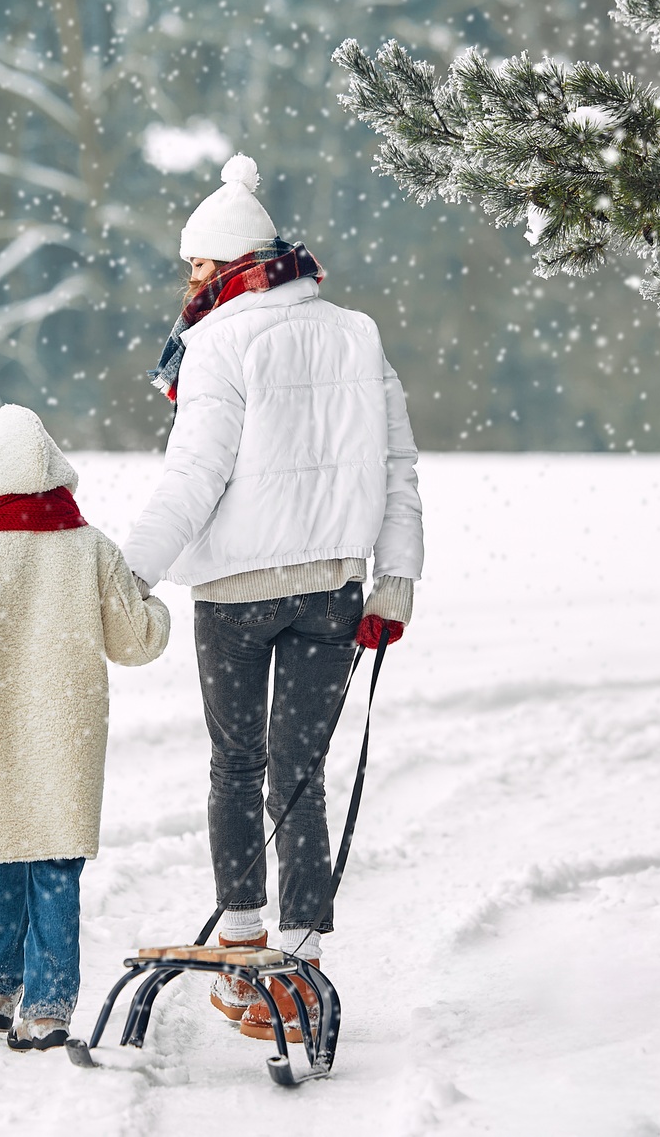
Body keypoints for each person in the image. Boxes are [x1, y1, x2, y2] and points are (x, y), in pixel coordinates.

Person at [121, 153, 424, 1043]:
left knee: (236, 767)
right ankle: (303, 961)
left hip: (238, 596)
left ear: (224, 265)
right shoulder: (357, 332)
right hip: (334, 588)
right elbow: (399, 468)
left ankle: (249, 952)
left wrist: (127, 571)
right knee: (301, 775)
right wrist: (394, 580)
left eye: (195, 267)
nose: (188, 282)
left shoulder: (218, 341)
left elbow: (197, 473)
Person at [0, 405, 171, 1051]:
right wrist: (156, 608)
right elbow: (135, 641)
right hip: (69, 737)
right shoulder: (91, 546)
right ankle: (49, 1007)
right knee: (56, 867)